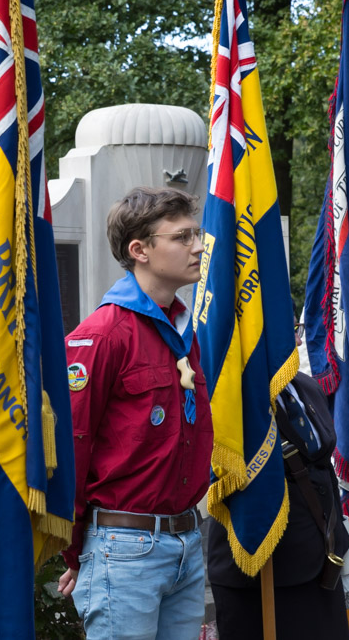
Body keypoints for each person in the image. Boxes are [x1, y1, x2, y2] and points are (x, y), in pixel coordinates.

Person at [56, 186, 214, 640]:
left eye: (197, 234)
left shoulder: (184, 329)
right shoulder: (103, 334)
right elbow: (74, 445)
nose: (199, 246)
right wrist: (78, 552)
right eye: (182, 237)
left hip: (186, 538)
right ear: (139, 250)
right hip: (126, 547)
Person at [206, 314, 349, 640]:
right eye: (286, 333)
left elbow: (324, 473)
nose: (298, 341)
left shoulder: (305, 387)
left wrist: (345, 550)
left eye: (295, 330)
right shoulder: (229, 404)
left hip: (319, 563)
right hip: (260, 575)